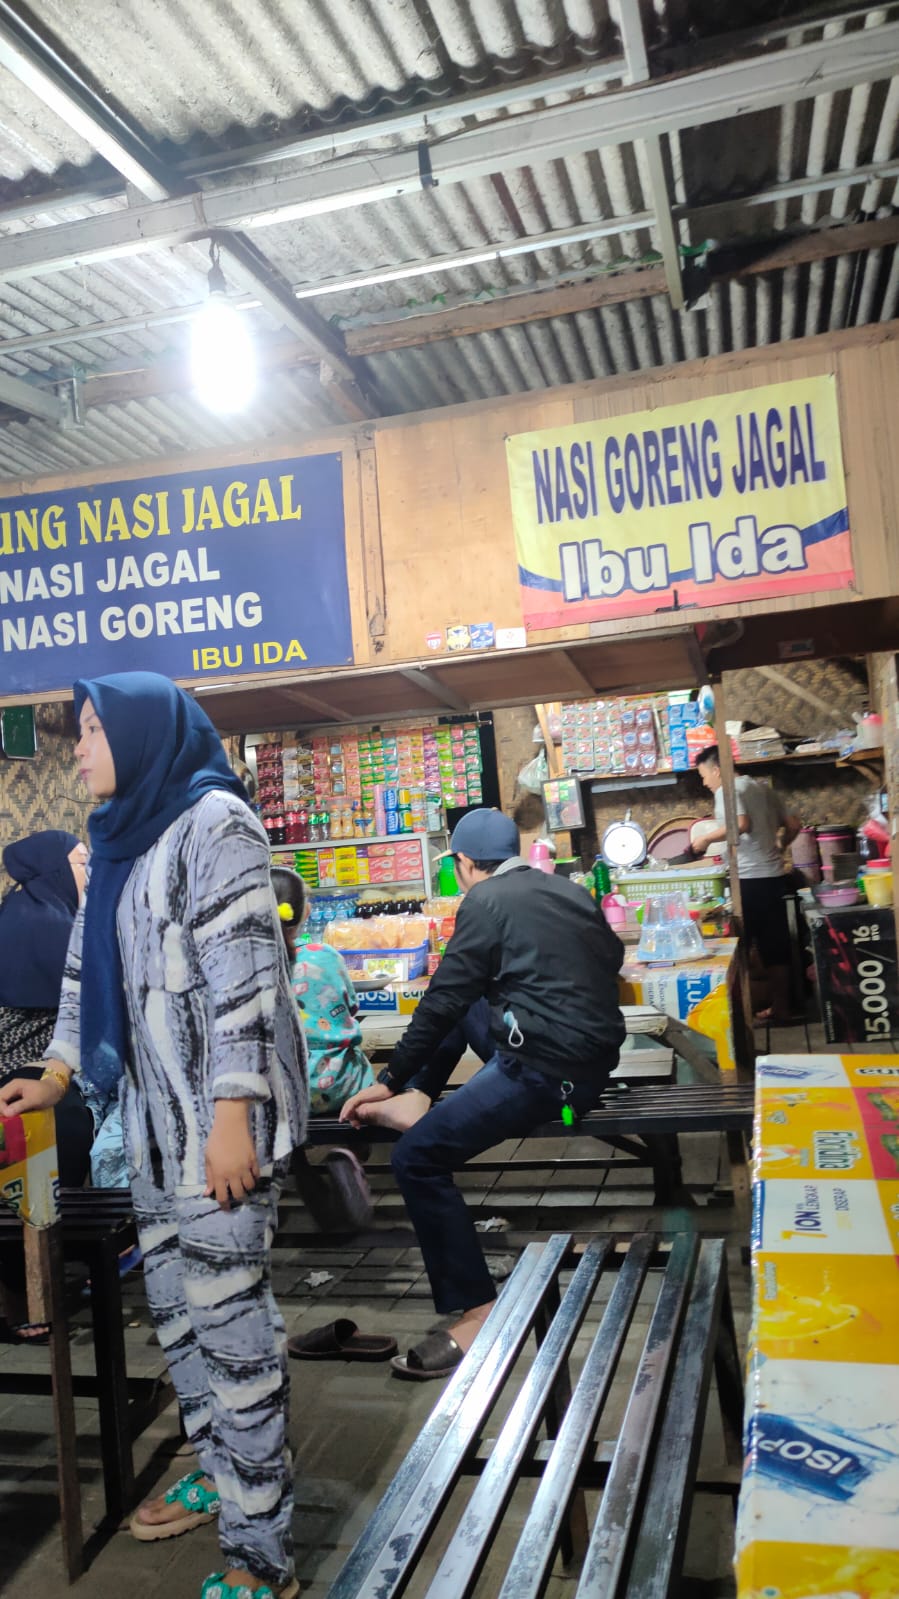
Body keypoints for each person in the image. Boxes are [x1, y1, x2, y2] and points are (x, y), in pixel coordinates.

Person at [0, 672, 307, 1599]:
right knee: (177, 1316)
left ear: (141, 736)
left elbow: (248, 985)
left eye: (94, 731)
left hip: (219, 1128)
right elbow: (82, 977)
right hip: (152, 1129)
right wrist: (51, 1076)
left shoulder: (217, 825)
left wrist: (229, 1120)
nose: (80, 748)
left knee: (235, 1331)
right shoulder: (118, 837)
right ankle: (221, 1471)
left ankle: (263, 1554)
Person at [340, 808, 625, 1380]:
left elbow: (439, 1000)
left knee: (415, 1159)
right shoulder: (566, 890)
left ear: (465, 864)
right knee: (466, 996)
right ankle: (421, 1095)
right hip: (592, 1062)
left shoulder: (484, 903)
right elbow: (611, 960)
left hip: (549, 1076)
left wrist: (389, 1077)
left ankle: (478, 1308)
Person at [0, 830, 94, 1340]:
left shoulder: (21, 911)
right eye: (82, 862)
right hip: (21, 1078)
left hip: (37, 1074)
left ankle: (38, 1281)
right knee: (56, 1133)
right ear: (56, 871)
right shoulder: (46, 925)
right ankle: (29, 1289)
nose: (91, 873)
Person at [271, 866, 373, 1238]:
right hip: (340, 1086)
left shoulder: (250, 963)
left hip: (285, 1094)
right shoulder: (324, 956)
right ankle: (349, 1151)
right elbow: (352, 1006)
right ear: (307, 911)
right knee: (366, 1075)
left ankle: (295, 1168)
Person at [694, 744, 801, 1025]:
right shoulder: (762, 788)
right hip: (774, 877)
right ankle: (782, 1009)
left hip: (749, 880)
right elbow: (793, 825)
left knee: (738, 948)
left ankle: (740, 1018)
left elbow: (741, 823)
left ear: (717, 770)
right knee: (775, 947)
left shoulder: (726, 790)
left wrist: (705, 840)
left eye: (704, 775)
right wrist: (780, 845)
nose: (705, 782)